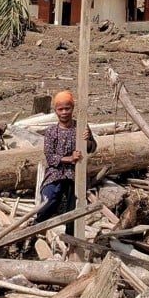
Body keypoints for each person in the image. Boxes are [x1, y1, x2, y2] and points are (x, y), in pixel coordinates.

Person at [36, 91, 97, 224]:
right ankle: (37, 225)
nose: (64, 112)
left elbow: (92, 148)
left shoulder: (81, 127)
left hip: (75, 173)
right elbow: (50, 156)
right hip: (55, 173)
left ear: (72, 108)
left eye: (67, 108)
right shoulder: (52, 131)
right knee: (49, 198)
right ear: (55, 111)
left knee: (73, 206)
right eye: (60, 109)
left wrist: (87, 141)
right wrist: (70, 158)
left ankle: (70, 236)